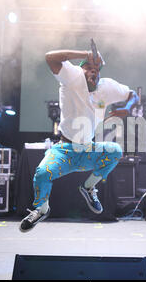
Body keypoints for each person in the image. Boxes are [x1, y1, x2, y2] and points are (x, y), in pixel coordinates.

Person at [19, 48, 139, 232]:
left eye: (97, 69)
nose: (94, 71)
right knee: (42, 173)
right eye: (89, 67)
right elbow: (50, 57)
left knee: (115, 151)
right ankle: (41, 209)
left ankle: (88, 188)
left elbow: (133, 94)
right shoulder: (72, 77)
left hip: (87, 150)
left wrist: (128, 108)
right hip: (64, 151)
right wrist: (84, 53)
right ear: (80, 68)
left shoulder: (106, 87)